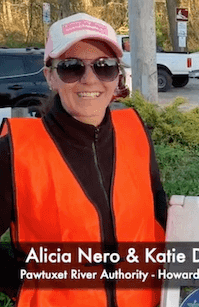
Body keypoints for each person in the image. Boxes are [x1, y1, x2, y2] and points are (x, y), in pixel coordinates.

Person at [0, 13, 167, 306]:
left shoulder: (134, 130)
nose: (90, 79)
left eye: (104, 67)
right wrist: (23, 285)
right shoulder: (16, 149)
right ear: (50, 76)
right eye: (71, 67)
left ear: (118, 76)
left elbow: (159, 217)